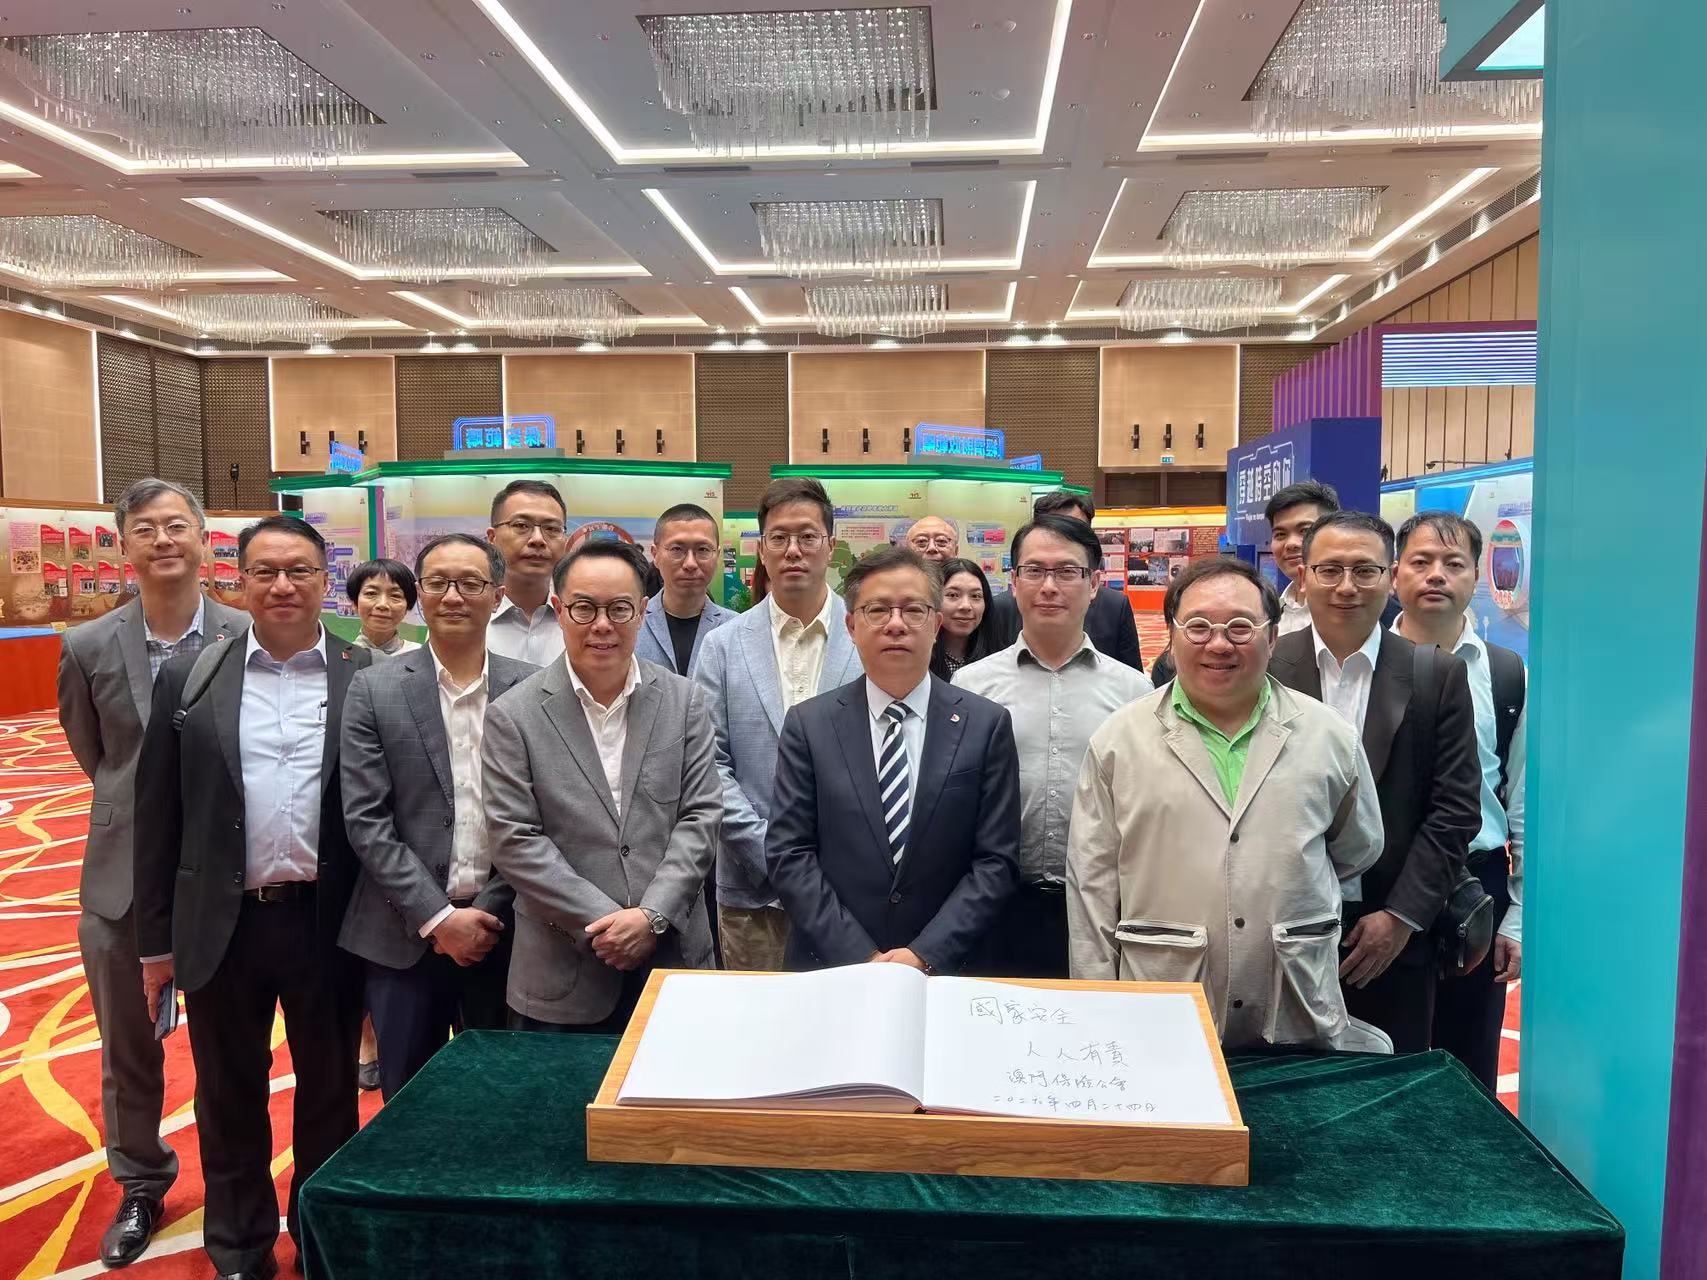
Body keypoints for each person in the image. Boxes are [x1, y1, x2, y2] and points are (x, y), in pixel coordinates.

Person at [133, 515, 371, 1280]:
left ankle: (317, 1234)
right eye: (264, 571)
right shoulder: (190, 677)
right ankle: (238, 1247)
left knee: (330, 1094)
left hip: (327, 920)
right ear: (237, 581)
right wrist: (155, 943)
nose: (281, 585)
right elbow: (157, 816)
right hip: (223, 924)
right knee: (228, 1095)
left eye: (298, 570)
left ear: (325, 580)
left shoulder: (365, 674)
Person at [1066, 557, 1383, 1048]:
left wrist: (1271, 871)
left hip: (1295, 1001)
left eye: (1240, 627)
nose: (1218, 643)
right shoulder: (1118, 741)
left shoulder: (1328, 735)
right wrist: (1098, 1007)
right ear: (1171, 637)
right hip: (1163, 1003)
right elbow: (1092, 885)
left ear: (1271, 638)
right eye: (1197, 627)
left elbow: (1358, 846)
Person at [56, 478, 248, 1269]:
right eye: (145, 528)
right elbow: (94, 753)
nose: (163, 539)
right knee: (127, 1047)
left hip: (229, 874)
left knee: (232, 1045)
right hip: (121, 880)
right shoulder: (87, 646)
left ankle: (237, 1188)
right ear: (123, 546)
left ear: (203, 540)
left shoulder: (248, 632)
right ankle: (140, 1183)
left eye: (176, 525)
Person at [1269, 511, 1482, 1053]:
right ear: (1304, 577)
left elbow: (1455, 810)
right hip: (1279, 932)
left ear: (1390, 578)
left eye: (1365, 571)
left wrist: (1403, 917)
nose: (1347, 586)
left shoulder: (1436, 675)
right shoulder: (1267, 666)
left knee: (1390, 1081)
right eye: (1330, 570)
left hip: (1393, 936)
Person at [484, 540, 719, 1031]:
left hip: (673, 957)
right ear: (559, 610)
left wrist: (651, 915)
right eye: (585, 608)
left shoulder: (684, 701)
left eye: (620, 609)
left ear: (643, 612)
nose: (603, 625)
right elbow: (515, 839)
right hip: (562, 970)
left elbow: (700, 816)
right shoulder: (513, 714)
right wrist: (607, 922)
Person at [338, 535, 537, 1099]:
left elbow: (544, 817)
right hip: (401, 934)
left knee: (505, 1099)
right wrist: (437, 916)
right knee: (409, 1105)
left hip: (507, 932)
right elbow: (366, 819)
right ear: (419, 595)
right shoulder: (373, 688)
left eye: (470, 583)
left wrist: (487, 909)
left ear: (496, 595)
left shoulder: (531, 687)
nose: (453, 596)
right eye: (438, 583)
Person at [766, 546, 1020, 973]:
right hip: (833, 967)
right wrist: (862, 956)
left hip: (948, 969)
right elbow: (790, 854)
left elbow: (997, 861)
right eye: (878, 610)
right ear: (852, 626)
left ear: (936, 624)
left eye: (914, 610)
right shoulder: (809, 725)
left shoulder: (986, 724)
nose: (896, 624)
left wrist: (926, 954)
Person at [957, 515, 1152, 978]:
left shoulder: (1134, 692)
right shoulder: (969, 687)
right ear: (1013, 582)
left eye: (1067, 572)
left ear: (1094, 584)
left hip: (1100, 909)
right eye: (1034, 571)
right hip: (993, 906)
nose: (1049, 587)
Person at [695, 478, 863, 970]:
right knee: (758, 1014)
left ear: (830, 546)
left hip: (854, 890)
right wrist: (774, 855)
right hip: (753, 891)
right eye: (779, 537)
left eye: (808, 536)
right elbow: (708, 764)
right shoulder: (723, 646)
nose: (794, 550)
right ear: (762, 550)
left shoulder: (867, 635)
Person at [1392, 512, 1527, 1088]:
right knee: (1382, 1056)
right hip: (1383, 884)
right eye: (1420, 561)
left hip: (1474, 883)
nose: (1436, 575)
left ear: (1476, 577)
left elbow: (1520, 802)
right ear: (1395, 573)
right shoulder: (1364, 665)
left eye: (1454, 564)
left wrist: (1517, 916)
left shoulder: (1505, 673)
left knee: (1468, 1064)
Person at [986, 490, 1143, 671]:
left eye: (1074, 528)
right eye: (1053, 526)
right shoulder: (1001, 607)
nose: (1049, 587)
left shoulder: (1115, 606)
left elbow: (1130, 672)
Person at [1266, 480, 1401, 636]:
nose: (1291, 544)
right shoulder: (1270, 610)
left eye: (1304, 531)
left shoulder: (1389, 619)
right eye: (1280, 534)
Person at [635, 503, 735, 677]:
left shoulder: (737, 629)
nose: (690, 563)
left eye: (702, 549)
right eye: (677, 549)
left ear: (717, 556)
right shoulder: (632, 624)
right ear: (655, 555)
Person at [485, 479, 571, 665]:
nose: (538, 539)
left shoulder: (582, 617)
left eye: (552, 528)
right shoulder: (467, 615)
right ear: (492, 538)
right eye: (521, 525)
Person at [929, 557, 1000, 680]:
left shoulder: (999, 662)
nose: (966, 606)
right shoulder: (918, 661)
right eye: (953, 595)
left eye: (975, 596)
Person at [347, 558, 421, 656]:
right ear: (354, 602)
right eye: (371, 593)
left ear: (408, 605)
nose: (382, 604)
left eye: (395, 595)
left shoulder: (420, 656)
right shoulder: (338, 657)